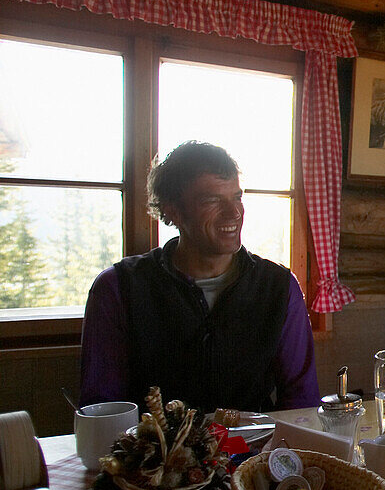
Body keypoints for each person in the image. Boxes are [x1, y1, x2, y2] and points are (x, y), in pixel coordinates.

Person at [79, 141, 320, 414]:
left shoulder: (278, 286)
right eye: (212, 201)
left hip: (255, 452)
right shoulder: (119, 287)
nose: (234, 213)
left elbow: (303, 402)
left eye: (237, 197)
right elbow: (102, 410)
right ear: (173, 211)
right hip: (156, 453)